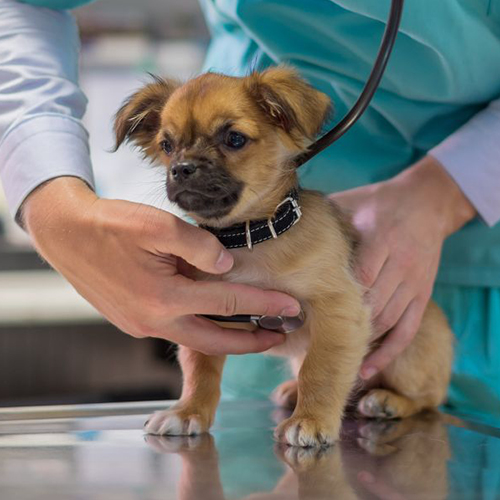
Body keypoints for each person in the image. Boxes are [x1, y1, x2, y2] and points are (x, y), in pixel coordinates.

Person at [2, 0, 500, 421]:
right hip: (259, 333)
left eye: (232, 140)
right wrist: (52, 203)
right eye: (171, 148)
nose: (186, 166)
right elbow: (28, 5)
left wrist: (447, 190)